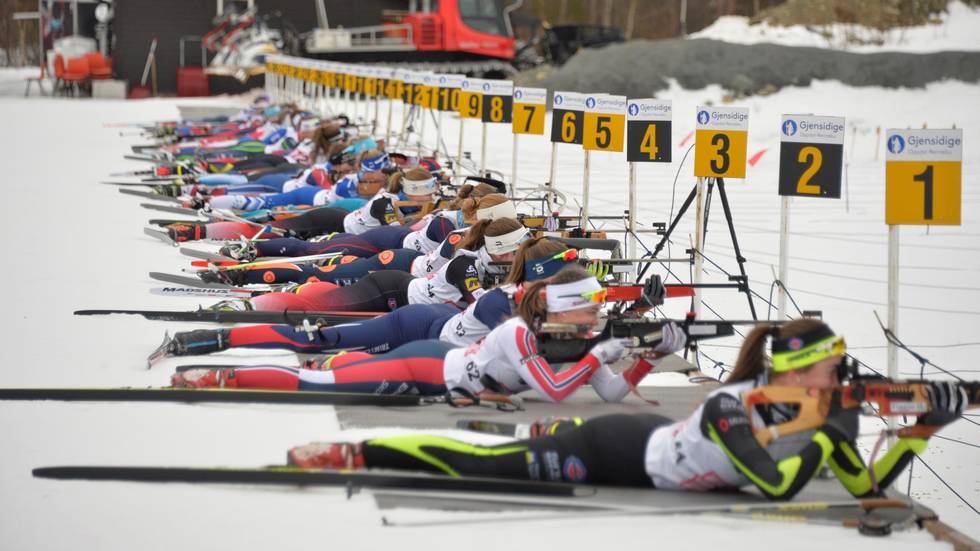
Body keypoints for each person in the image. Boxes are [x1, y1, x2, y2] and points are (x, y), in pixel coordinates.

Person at [277, 318, 966, 500]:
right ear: (794, 371)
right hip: (620, 450)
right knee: (490, 464)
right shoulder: (732, 405)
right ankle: (362, 452)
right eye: (831, 368)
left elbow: (865, 486)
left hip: (651, 439)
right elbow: (774, 481)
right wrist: (827, 427)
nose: (839, 378)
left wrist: (926, 427)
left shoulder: (823, 414)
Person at [172, 265, 686, 408]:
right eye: (591, 310)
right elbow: (556, 391)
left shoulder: (570, 343)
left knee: (324, 366)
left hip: (440, 364)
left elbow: (613, 392)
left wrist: (651, 356)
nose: (596, 320)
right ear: (567, 311)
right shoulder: (518, 332)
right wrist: (602, 353)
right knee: (319, 367)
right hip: (427, 362)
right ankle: (215, 361)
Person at [152, 238, 582, 359]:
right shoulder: (482, 274)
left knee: (315, 289)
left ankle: (257, 289)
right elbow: (537, 341)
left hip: (416, 306)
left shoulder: (504, 278)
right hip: (399, 299)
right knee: (315, 300)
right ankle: (239, 303)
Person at [215, 217, 528, 312]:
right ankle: (244, 267)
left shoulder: (474, 240)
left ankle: (288, 290)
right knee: (317, 267)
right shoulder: (457, 236)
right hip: (397, 266)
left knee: (319, 283)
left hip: (405, 277)